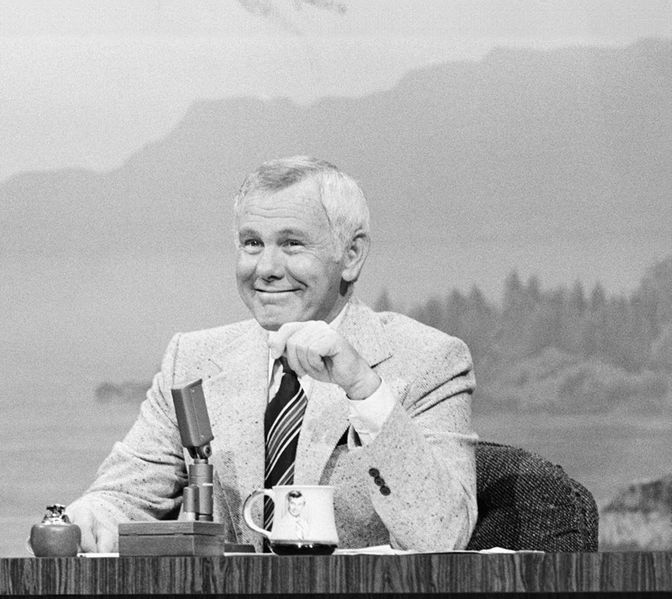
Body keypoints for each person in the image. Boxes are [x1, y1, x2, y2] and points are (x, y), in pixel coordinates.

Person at [67, 156, 477, 552]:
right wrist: (89, 517)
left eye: (292, 244)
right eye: (252, 243)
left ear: (351, 256)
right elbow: (122, 495)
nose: (266, 267)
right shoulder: (191, 360)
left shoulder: (429, 361)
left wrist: (363, 389)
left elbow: (442, 536)